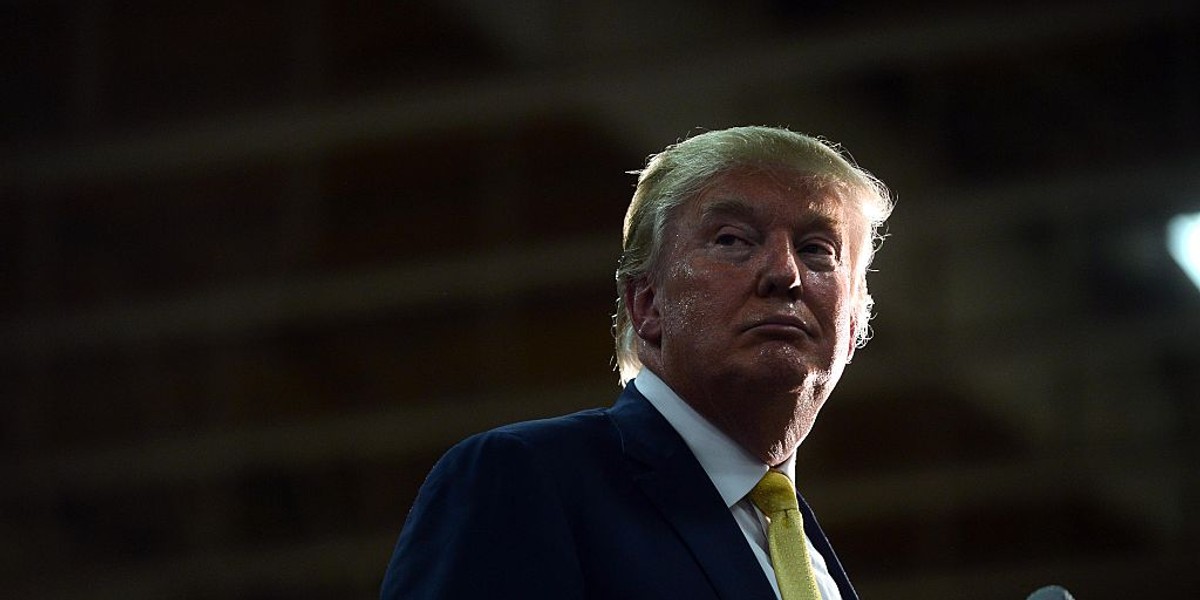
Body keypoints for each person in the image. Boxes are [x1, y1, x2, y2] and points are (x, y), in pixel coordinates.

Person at [380, 126, 894, 600]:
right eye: (733, 240)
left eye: (818, 250)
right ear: (646, 304)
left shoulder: (814, 567)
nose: (785, 273)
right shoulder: (524, 479)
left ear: (852, 327)